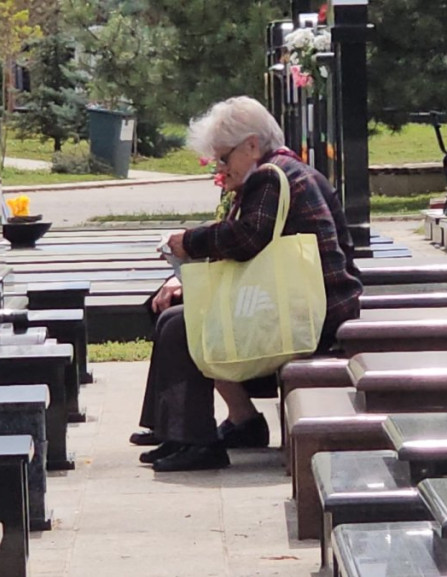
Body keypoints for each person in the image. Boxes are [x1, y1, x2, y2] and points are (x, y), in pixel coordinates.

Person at [131, 96, 362, 472]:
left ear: (252, 145)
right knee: (173, 311)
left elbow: (246, 238)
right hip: (306, 303)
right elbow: (255, 248)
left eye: (224, 158)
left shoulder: (270, 176)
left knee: (181, 325)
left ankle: (196, 440)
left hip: (311, 315)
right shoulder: (284, 171)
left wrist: (190, 241)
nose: (221, 168)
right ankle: (195, 427)